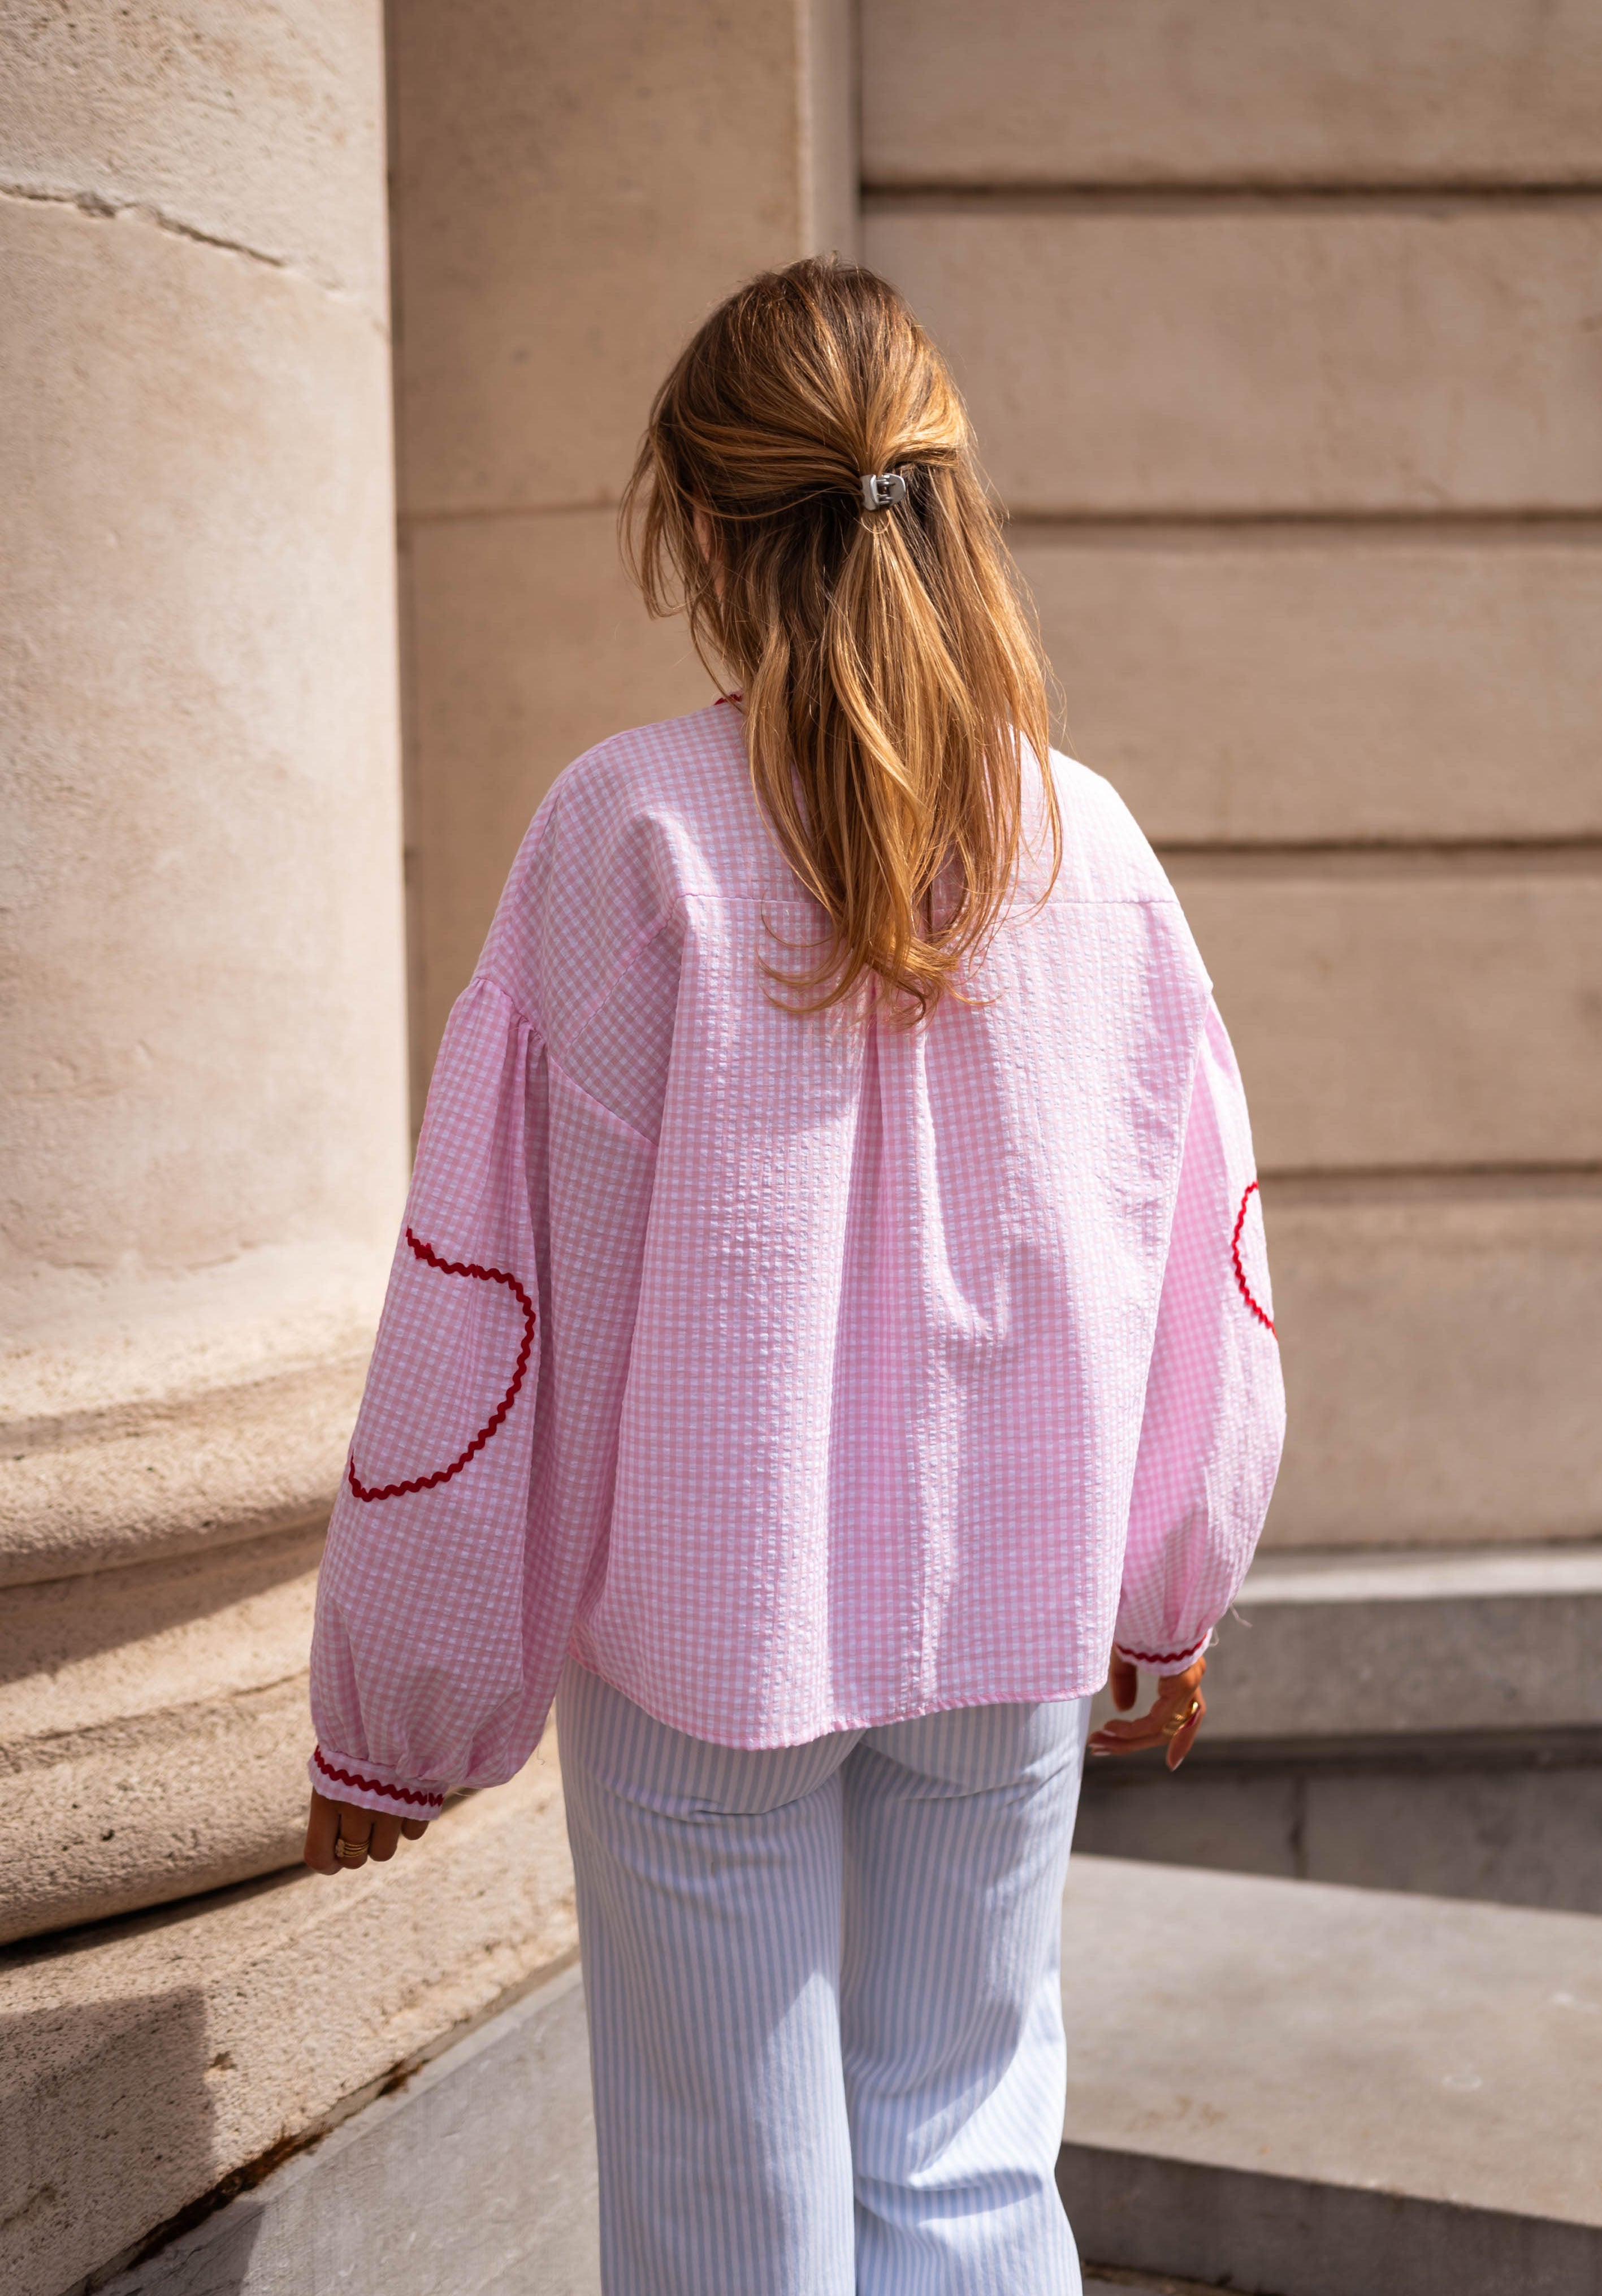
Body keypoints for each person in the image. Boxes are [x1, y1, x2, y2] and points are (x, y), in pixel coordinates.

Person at [301, 257, 1284, 2294]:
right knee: (969, 2163)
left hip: (707, 1631)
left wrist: (399, 1712)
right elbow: (1198, 1245)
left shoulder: (627, 835)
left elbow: (492, 1291)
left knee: (724, 2199)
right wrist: (1168, 1582)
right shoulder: (1084, 847)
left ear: (697, 525)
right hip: (1009, 1616)